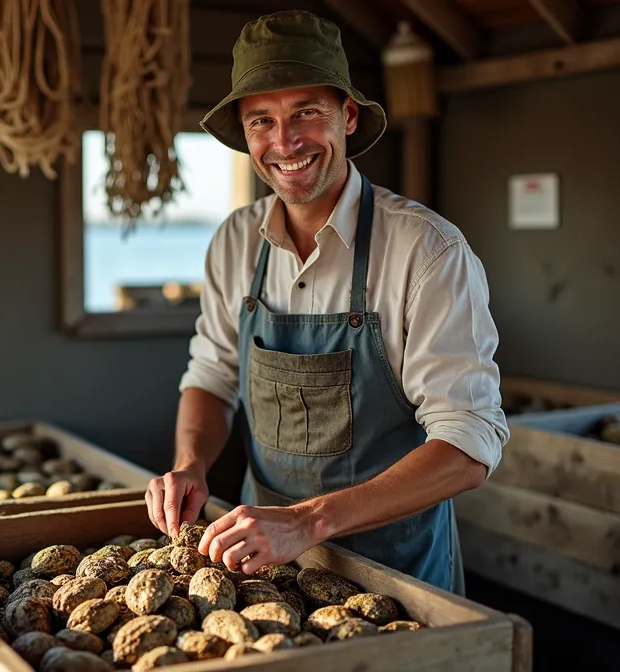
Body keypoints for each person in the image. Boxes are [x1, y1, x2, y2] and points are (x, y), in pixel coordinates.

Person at [143, 10, 508, 595]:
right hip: (261, 566)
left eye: (306, 112)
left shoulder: (428, 250)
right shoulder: (235, 242)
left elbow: (468, 444)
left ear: (349, 115)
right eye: (261, 120)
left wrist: (309, 521)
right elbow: (213, 376)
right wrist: (190, 464)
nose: (284, 142)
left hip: (395, 577)